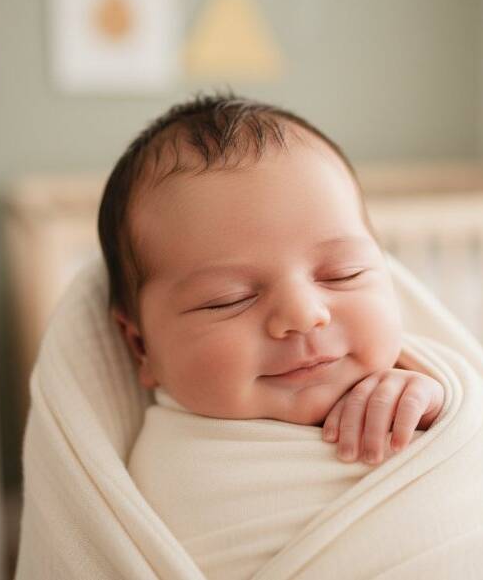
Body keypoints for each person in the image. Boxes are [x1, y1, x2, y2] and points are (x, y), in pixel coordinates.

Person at [98, 92, 444, 466]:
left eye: (342, 274)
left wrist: (438, 412)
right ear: (140, 346)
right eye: (228, 298)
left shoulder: (424, 391)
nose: (303, 315)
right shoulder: (164, 467)